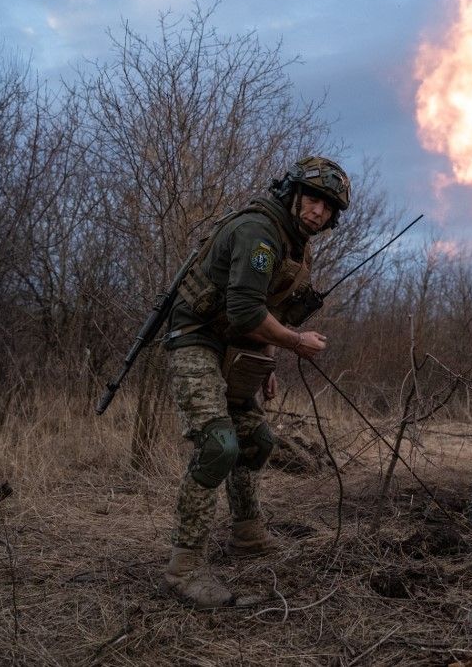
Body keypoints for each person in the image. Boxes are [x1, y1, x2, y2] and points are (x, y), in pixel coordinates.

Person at [161, 156, 350, 608]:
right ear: (293, 193)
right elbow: (246, 311)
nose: (318, 211)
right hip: (195, 339)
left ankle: (247, 535)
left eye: (328, 206)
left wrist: (263, 359)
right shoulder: (259, 232)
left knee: (257, 441)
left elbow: (258, 313)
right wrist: (294, 342)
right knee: (218, 446)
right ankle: (183, 570)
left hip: (234, 347)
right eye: (313, 198)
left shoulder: (294, 245)